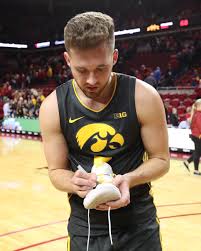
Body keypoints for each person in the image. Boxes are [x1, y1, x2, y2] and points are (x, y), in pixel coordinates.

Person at [39, 12, 169, 251]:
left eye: (101, 68)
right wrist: (74, 181)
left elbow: (161, 160)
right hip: (85, 227)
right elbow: (56, 171)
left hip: (139, 225)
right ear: (67, 59)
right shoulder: (52, 107)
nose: (91, 80)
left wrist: (129, 179)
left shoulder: (144, 97)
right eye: (81, 70)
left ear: (115, 56)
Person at [183, 100, 201, 175]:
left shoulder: (194, 114)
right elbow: (200, 125)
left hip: (195, 134)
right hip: (198, 135)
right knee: (198, 152)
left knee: (198, 151)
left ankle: (187, 162)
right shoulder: (198, 114)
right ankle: (196, 170)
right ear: (198, 106)